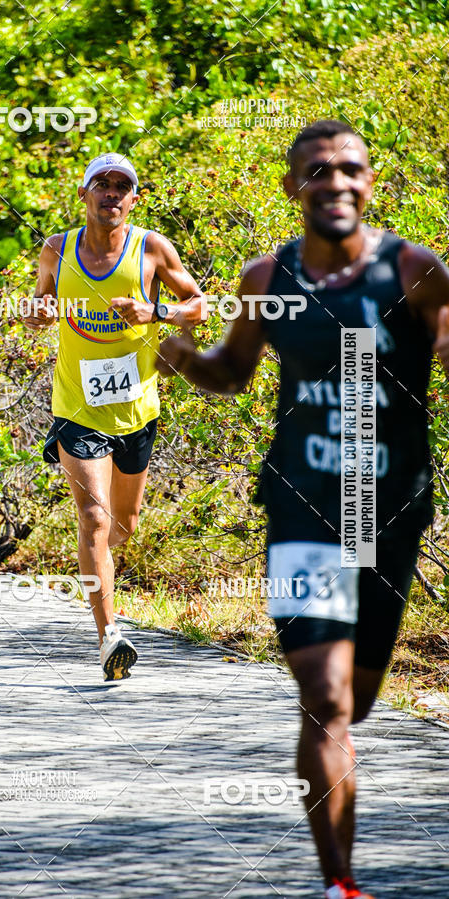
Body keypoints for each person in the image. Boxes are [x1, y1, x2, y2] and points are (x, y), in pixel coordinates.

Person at [156, 120, 449, 898]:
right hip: (302, 509)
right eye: (317, 171)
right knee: (325, 701)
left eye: (350, 169)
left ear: (371, 182)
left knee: (361, 700)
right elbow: (230, 369)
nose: (336, 182)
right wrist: (170, 348)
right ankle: (340, 883)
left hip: (388, 514)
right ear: (294, 189)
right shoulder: (269, 276)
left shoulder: (415, 271)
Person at [24, 152, 204, 681]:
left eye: (120, 186)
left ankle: (94, 568)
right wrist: (38, 311)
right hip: (77, 408)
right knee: (94, 520)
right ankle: (109, 637)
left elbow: (200, 303)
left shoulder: (151, 249)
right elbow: (41, 304)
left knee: (123, 526)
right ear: (84, 195)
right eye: (99, 185)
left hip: (136, 409)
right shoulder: (57, 249)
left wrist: (159, 311)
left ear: (134, 198)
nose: (110, 193)